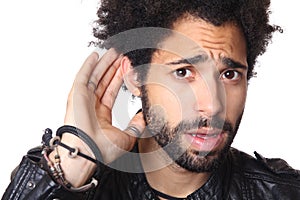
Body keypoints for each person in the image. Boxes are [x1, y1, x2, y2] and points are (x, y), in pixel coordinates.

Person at [2, 0, 300, 199]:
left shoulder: (282, 192)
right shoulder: (81, 187)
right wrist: (74, 161)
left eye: (230, 75)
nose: (213, 106)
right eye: (183, 72)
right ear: (135, 77)